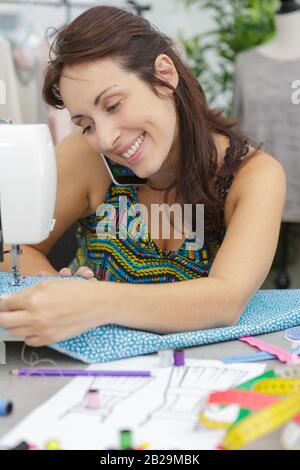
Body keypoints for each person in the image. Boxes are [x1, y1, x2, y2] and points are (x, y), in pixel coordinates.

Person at [0, 6, 286, 347]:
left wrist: (92, 302)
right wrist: (57, 296)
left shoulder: (253, 175)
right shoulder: (87, 156)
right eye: (86, 124)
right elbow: (15, 249)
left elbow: (225, 299)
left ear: (164, 75)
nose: (105, 139)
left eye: (114, 104)